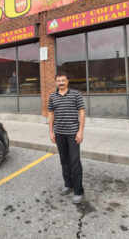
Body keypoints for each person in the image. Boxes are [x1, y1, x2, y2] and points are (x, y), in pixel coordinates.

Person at [48, 71, 85, 204]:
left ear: (67, 81)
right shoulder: (52, 97)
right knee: (64, 161)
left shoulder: (76, 94)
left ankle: (78, 191)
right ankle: (68, 184)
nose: (61, 83)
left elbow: (81, 112)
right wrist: (51, 132)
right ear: (56, 82)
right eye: (59, 81)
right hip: (59, 134)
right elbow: (51, 115)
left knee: (75, 162)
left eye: (63, 80)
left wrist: (80, 131)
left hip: (73, 134)